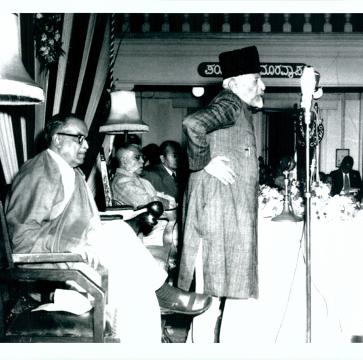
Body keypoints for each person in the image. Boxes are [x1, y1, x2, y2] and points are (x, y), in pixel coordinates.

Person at [5, 114, 211, 343]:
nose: (86, 145)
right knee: (133, 282)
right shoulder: (39, 172)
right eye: (79, 138)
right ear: (57, 139)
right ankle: (161, 296)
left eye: (86, 139)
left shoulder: (71, 172)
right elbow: (20, 238)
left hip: (77, 256)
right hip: (52, 266)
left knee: (128, 259)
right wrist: (74, 243)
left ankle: (155, 309)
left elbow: (78, 222)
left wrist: (91, 236)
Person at [178, 45, 265, 342]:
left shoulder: (237, 107)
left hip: (226, 217)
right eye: (255, 79)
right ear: (234, 82)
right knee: (211, 299)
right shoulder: (229, 102)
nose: (262, 85)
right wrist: (204, 163)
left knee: (219, 298)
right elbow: (193, 123)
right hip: (216, 219)